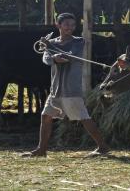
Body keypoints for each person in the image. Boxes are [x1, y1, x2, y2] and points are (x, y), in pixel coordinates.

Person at [22, 13, 108, 157]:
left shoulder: (79, 41)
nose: (70, 27)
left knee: (84, 118)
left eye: (72, 25)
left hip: (71, 89)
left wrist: (50, 47)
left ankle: (103, 146)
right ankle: (41, 150)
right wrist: (51, 52)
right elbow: (47, 59)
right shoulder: (52, 43)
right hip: (55, 89)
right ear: (58, 25)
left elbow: (68, 56)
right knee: (45, 117)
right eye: (67, 24)